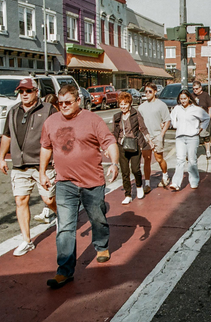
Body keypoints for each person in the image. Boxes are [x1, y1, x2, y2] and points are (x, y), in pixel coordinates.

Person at [39, 84, 120, 289]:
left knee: (97, 217)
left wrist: (114, 163)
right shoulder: (51, 122)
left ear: (78, 101)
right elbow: (46, 147)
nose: (63, 106)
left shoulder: (93, 120)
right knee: (65, 226)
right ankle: (64, 270)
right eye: (60, 103)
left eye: (68, 102)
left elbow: (109, 142)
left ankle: (101, 245)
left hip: (91, 181)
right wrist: (42, 172)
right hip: (64, 182)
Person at [0, 78, 58, 256]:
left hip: (43, 165)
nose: (24, 94)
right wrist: (1, 158)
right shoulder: (13, 111)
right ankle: (26, 240)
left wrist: (58, 157)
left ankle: (60, 214)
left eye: (28, 91)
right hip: (19, 165)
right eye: (21, 91)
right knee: (20, 200)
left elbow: (58, 134)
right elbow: (6, 136)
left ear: (36, 92)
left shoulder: (48, 110)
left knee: (48, 199)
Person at [113, 92, 153, 204]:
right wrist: (110, 147)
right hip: (122, 145)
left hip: (134, 144)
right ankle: (128, 194)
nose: (123, 107)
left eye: (125, 104)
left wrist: (149, 140)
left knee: (135, 169)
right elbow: (114, 133)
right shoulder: (117, 117)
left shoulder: (136, 114)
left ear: (130, 104)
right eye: (121, 104)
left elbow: (143, 128)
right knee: (125, 171)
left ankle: (139, 186)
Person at [169, 90, 210, 191]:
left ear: (189, 98)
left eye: (184, 98)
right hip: (180, 137)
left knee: (192, 160)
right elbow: (172, 119)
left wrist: (200, 129)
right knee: (180, 159)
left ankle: (194, 180)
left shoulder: (196, 109)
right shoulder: (177, 108)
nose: (183, 101)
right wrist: (174, 125)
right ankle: (176, 183)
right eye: (181, 99)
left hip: (192, 137)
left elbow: (206, 118)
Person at [138, 82, 171, 192]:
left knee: (159, 158)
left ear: (155, 92)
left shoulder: (161, 105)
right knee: (147, 160)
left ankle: (165, 175)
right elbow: (139, 123)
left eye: (150, 91)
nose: (147, 93)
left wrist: (162, 134)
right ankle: (147, 183)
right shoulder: (141, 107)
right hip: (146, 137)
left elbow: (167, 120)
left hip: (157, 135)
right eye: (146, 91)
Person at [192, 81, 211, 159]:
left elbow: (210, 107)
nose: (195, 90)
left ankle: (207, 152)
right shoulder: (192, 96)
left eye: (196, 89)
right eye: (193, 89)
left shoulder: (206, 95)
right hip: (195, 120)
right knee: (194, 137)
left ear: (200, 88)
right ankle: (193, 153)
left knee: (205, 136)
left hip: (204, 119)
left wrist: (208, 117)